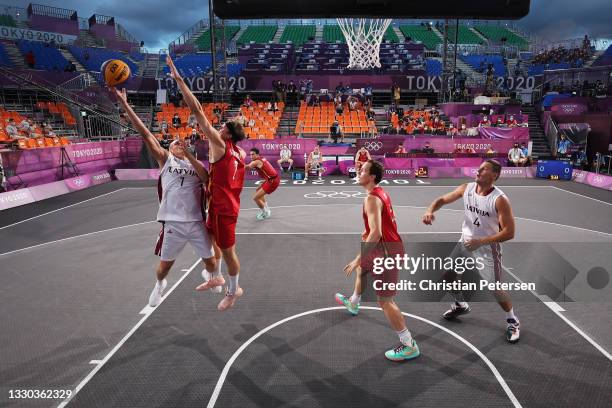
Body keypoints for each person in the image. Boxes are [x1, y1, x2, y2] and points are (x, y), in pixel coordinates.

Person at [111, 87, 218, 308]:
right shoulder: (166, 160)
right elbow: (146, 134)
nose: (179, 145)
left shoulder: (195, 164)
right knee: (164, 268)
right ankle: (160, 285)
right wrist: (125, 104)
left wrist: (188, 154)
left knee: (211, 262)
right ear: (168, 148)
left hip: (197, 222)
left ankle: (211, 275)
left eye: (182, 144)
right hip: (173, 223)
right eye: (174, 144)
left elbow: (206, 177)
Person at [167, 55, 247, 311]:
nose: (219, 127)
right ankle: (217, 277)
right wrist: (189, 154)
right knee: (212, 243)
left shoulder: (221, 144)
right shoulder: (238, 152)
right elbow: (209, 177)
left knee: (229, 251)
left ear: (227, 134)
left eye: (223, 126)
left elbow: (198, 111)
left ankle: (233, 291)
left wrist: (179, 79)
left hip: (224, 209)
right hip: (218, 205)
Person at [422, 159, 520, 343]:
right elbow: (442, 199)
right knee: (447, 275)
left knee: (495, 289)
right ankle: (460, 304)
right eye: (479, 168)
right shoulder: (466, 188)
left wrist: (480, 241)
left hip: (487, 248)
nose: (479, 171)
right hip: (465, 242)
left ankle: (512, 320)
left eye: (484, 169)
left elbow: (509, 232)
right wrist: (430, 210)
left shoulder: (499, 200)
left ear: (495, 175)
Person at [335, 160, 420, 361]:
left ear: (372, 177)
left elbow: (376, 233)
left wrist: (358, 257)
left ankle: (409, 344)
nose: (358, 171)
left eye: (362, 170)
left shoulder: (372, 199)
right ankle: (354, 303)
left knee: (385, 301)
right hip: (382, 248)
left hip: (386, 253)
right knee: (362, 271)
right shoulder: (380, 192)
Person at [246, 148, 280, 220]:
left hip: (272, 181)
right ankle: (267, 209)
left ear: (257, 155)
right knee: (258, 190)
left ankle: (265, 212)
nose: (251, 156)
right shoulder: (262, 158)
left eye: (253, 154)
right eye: (250, 155)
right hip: (272, 179)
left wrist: (236, 164)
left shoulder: (256, 162)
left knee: (255, 198)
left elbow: (247, 167)